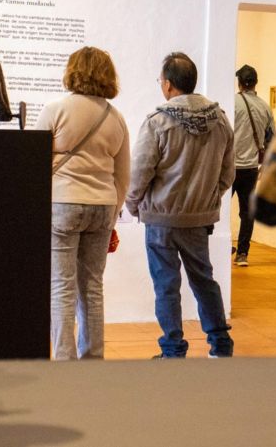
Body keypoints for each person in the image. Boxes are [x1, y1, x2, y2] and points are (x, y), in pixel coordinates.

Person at [126, 52, 235, 359]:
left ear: (169, 85)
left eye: (161, 80)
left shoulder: (157, 123)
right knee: (204, 280)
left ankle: (173, 349)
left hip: (161, 219)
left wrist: (133, 204)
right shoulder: (220, 121)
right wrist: (209, 199)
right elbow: (228, 173)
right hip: (199, 219)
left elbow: (140, 172)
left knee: (166, 286)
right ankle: (220, 343)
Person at [35, 46, 130, 361]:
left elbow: (34, 164)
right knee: (92, 286)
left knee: (62, 286)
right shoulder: (116, 119)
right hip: (102, 206)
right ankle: (93, 359)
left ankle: (64, 359)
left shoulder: (55, 110)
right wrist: (113, 217)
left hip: (63, 203)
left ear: (73, 71)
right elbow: (123, 176)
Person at [231, 64, 275, 267]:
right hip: (250, 167)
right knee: (247, 212)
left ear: (239, 82)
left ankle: (220, 245)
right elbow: (271, 139)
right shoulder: (265, 107)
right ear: (256, 83)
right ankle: (242, 254)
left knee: (218, 209)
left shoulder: (232, 102)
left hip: (229, 166)